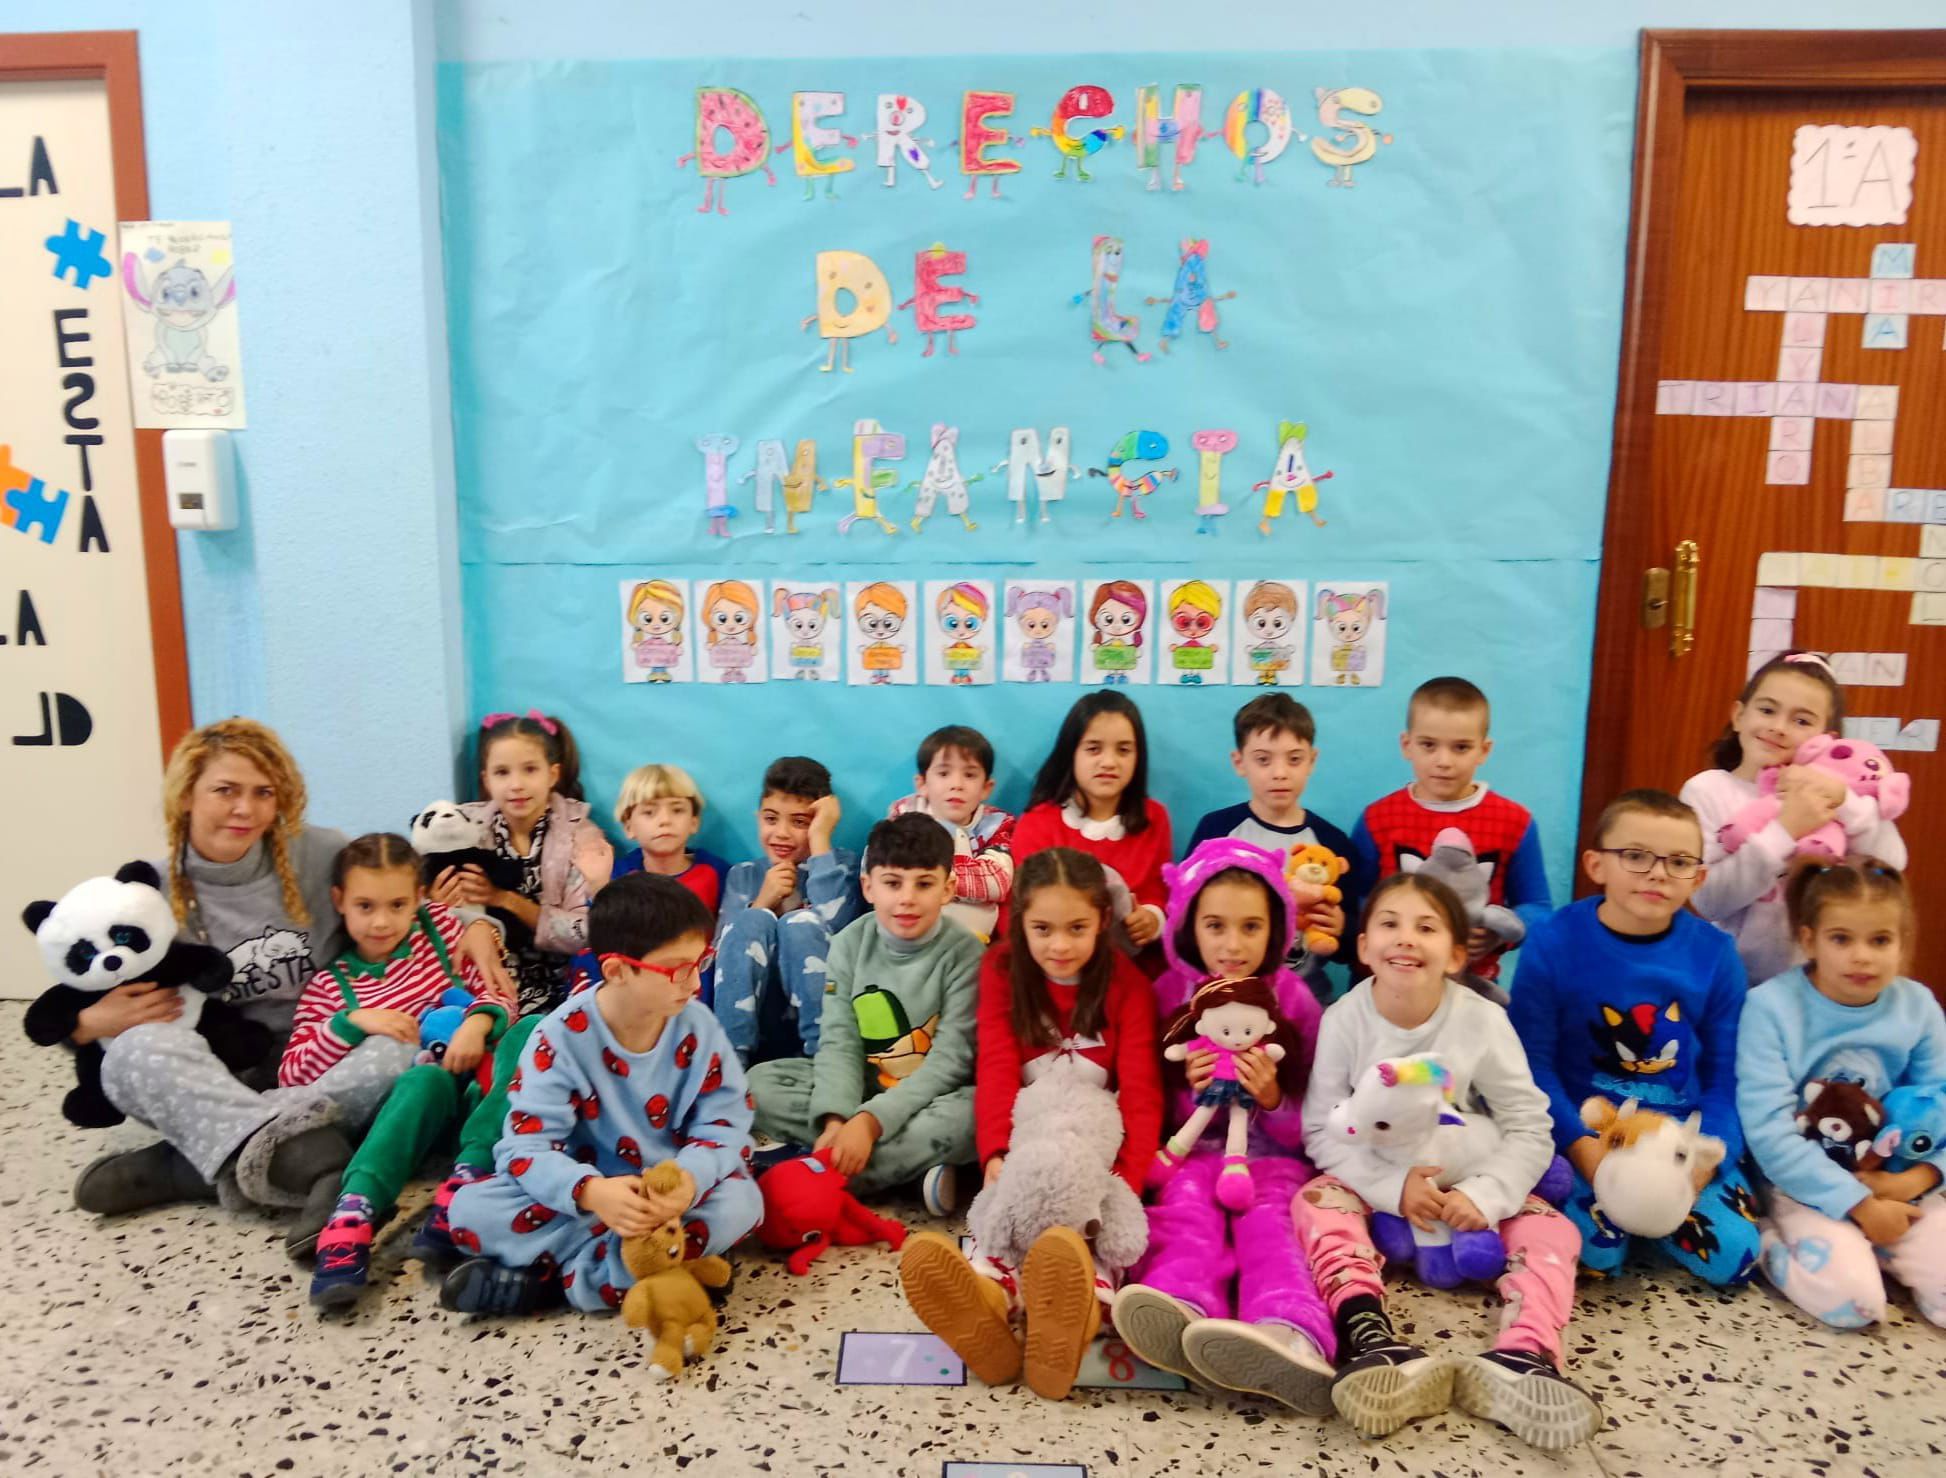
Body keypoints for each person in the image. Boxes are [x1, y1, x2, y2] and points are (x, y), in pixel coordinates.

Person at [67, 719, 512, 1239]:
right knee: (130, 1054)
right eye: (225, 791)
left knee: (401, 1045)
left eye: (263, 793)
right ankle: (312, 1159)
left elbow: (401, 902)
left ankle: (191, 1166)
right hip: (219, 1071)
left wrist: (480, 923)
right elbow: (82, 980)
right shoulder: (147, 890)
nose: (245, 809)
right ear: (186, 795)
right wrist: (86, 1023)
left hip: (330, 1060)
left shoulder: (318, 853)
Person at [1297, 874, 1600, 1449]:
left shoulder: (1481, 1020)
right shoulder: (1344, 1019)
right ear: (1362, 947)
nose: (1405, 939)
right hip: (1379, 1175)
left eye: (1426, 927)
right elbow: (1321, 1129)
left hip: (1466, 1169)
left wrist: (1486, 1194)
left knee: (1555, 1229)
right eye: (1389, 924)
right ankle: (1367, 1335)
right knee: (1312, 1201)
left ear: (1457, 955)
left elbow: (1528, 1125)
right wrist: (1391, 1188)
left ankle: (1526, 1355)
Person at [899, 847, 1161, 1399]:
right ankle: (988, 1307)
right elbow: (995, 1065)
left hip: (1095, 1149)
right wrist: (994, 1152)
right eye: (1042, 928)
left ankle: (1072, 1320)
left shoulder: (1129, 986)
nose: (1059, 946)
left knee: (1095, 1247)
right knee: (1003, 1224)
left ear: (1103, 923)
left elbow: (1140, 1094)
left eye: (1077, 928)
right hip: (1027, 1136)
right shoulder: (1000, 969)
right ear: (1019, 922)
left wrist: (1125, 1182)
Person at [441, 874, 759, 1315]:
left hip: (668, 1198)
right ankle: (649, 1270)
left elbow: (726, 1126)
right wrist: (591, 1192)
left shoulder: (698, 1024)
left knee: (742, 1202)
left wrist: (689, 1179)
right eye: (677, 969)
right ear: (617, 971)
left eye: (700, 962)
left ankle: (553, 1283)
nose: (693, 983)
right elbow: (524, 1147)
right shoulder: (561, 1036)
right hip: (587, 1197)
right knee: (470, 1210)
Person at [1113, 839, 1334, 1415]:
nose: (1232, 945)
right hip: (1191, 1156)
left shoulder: (1296, 1000)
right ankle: (1178, 1308)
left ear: (1277, 929)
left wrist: (1273, 1096)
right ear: (1189, 926)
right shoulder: (1168, 993)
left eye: (1251, 927)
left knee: (1274, 1230)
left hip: (1274, 1162)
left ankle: (1289, 1333)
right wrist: (1189, 1091)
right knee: (1184, 1217)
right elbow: (1152, 1105)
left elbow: (1315, 1116)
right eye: (1214, 925)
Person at [1507, 789, 1760, 1285]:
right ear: (1596, 864)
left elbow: (1727, 1078)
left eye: (1679, 861)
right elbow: (1532, 1065)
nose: (1658, 873)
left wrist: (1709, 1157)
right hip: (1591, 1131)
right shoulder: (1554, 942)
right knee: (1595, 1255)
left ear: (1699, 877)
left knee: (1737, 1256)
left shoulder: (1715, 954)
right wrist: (1583, 1149)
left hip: (1680, 1139)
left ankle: (1658, 1219)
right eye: (1637, 856)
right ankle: (1627, 1226)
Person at [287, 834, 510, 1306]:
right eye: (365, 906)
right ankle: (352, 1218)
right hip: (415, 1113)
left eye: (397, 904)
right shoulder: (332, 986)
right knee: (422, 1078)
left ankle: (465, 1184)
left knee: (532, 1027)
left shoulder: (442, 931)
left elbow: (498, 991)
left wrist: (477, 1021)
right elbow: (292, 1076)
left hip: (483, 1101)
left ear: (419, 901)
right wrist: (351, 1024)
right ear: (340, 902)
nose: (382, 921)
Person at [1736, 860, 1946, 1329]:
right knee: (1856, 1305)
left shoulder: (1918, 1007)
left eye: (1880, 941)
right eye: (1841, 939)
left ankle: (1886, 1247)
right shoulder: (1770, 1008)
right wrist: (1860, 1205)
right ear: (1809, 940)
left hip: (1896, 1179)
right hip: (1803, 1181)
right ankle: (1771, 1240)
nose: (1862, 957)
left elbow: (1942, 1107)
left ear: (1902, 942)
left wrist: (1912, 1183)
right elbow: (1769, 1134)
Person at [745, 814, 982, 1214]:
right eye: (892, 883)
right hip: (864, 1087)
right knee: (759, 1083)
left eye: (924, 884)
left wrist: (869, 1124)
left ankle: (817, 1173)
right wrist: (837, 1120)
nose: (906, 898)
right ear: (868, 887)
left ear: (948, 889)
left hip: (931, 1096)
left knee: (977, 1113)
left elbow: (950, 1064)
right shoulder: (849, 943)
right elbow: (839, 1041)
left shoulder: (966, 954)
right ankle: (904, 1169)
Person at [1681, 652, 1908, 985]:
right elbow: (1710, 901)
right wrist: (1785, 829)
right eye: (1767, 710)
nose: (1778, 727)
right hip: (1734, 980)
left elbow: (1893, 864)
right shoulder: (1707, 789)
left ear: (1825, 740)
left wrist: (1844, 800)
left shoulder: (1843, 798)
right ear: (1739, 715)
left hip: (1822, 985)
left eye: (1801, 721)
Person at [1349, 677, 1549, 985]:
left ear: (1484, 750)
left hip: (1474, 986)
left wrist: (1500, 934)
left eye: (1461, 748)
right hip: (1388, 984)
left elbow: (1537, 906)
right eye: (1428, 745)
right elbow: (1357, 900)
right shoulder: (1378, 818)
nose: (1444, 761)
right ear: (1407, 745)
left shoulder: (1515, 822)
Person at [433, 711, 608, 1019]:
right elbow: (430, 917)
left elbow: (587, 932)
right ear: (486, 779)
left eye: (529, 770)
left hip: (564, 982)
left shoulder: (581, 837)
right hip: (486, 976)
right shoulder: (461, 831)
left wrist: (504, 899)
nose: (516, 785)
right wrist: (440, 907)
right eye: (502, 772)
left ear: (552, 775)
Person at [1185, 693, 1357, 999]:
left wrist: (1342, 928)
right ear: (1239, 762)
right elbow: (1184, 917)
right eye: (1263, 759)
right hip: (1223, 998)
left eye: (1294, 759)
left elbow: (1350, 949)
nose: (1280, 772)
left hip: (1307, 999)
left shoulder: (1332, 843)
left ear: (1311, 761)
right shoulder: (1216, 831)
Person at [711, 756, 862, 1065]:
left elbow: (838, 933)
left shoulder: (841, 866)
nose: (781, 833)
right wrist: (763, 901)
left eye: (799, 822)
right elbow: (721, 957)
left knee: (801, 922)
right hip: (759, 1024)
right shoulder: (744, 875)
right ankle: (729, 1066)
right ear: (758, 818)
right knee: (751, 919)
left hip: (827, 1022)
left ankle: (829, 1061)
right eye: (770, 819)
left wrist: (820, 842)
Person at [1011, 692, 1172, 957]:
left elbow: (1159, 891)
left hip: (1130, 966)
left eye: (1123, 750)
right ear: (1070, 753)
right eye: (1093, 748)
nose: (1109, 762)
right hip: (1054, 960)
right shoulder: (1037, 823)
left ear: (1138, 756)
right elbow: (1020, 907)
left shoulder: (1154, 818)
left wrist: (1152, 919)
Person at [886, 724, 1016, 943]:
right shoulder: (904, 814)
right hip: (908, 937)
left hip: (972, 942)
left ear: (986, 787)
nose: (956, 784)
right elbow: (882, 870)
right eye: (944, 773)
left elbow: (997, 881)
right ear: (923, 784)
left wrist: (925, 876)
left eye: (969, 775)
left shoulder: (998, 824)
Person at [609, 762, 730, 914]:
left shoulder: (718, 873)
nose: (665, 820)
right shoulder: (617, 877)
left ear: (694, 822)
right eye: (649, 812)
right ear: (629, 827)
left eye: (677, 810)